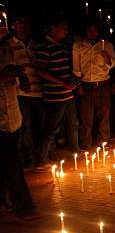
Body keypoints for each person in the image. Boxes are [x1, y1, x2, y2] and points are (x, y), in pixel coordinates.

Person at [0, 32, 38, 219]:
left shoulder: (7, 49)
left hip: (13, 115)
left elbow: (15, 73)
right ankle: (24, 206)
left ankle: (4, 201)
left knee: (7, 162)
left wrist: (22, 79)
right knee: (13, 163)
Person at [34, 17, 79, 167]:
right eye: (63, 28)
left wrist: (72, 82)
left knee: (73, 124)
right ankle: (42, 159)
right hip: (55, 97)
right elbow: (40, 71)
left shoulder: (62, 46)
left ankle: (75, 150)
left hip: (68, 94)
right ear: (53, 28)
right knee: (52, 128)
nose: (66, 31)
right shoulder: (44, 46)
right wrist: (61, 82)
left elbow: (66, 69)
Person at [6, 17, 44, 168]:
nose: (23, 25)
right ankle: (29, 156)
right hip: (22, 92)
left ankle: (42, 153)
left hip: (39, 91)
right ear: (14, 25)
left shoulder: (36, 45)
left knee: (41, 124)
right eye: (19, 22)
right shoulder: (9, 45)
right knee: (25, 125)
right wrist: (20, 81)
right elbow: (9, 67)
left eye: (25, 22)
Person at [72, 20, 115, 149]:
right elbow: (76, 68)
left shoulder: (107, 45)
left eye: (94, 30)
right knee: (86, 117)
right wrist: (78, 85)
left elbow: (112, 63)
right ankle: (86, 143)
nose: (92, 33)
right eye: (89, 30)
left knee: (104, 115)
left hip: (103, 83)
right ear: (86, 31)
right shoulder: (78, 45)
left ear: (98, 31)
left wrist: (106, 57)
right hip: (86, 85)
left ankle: (103, 142)